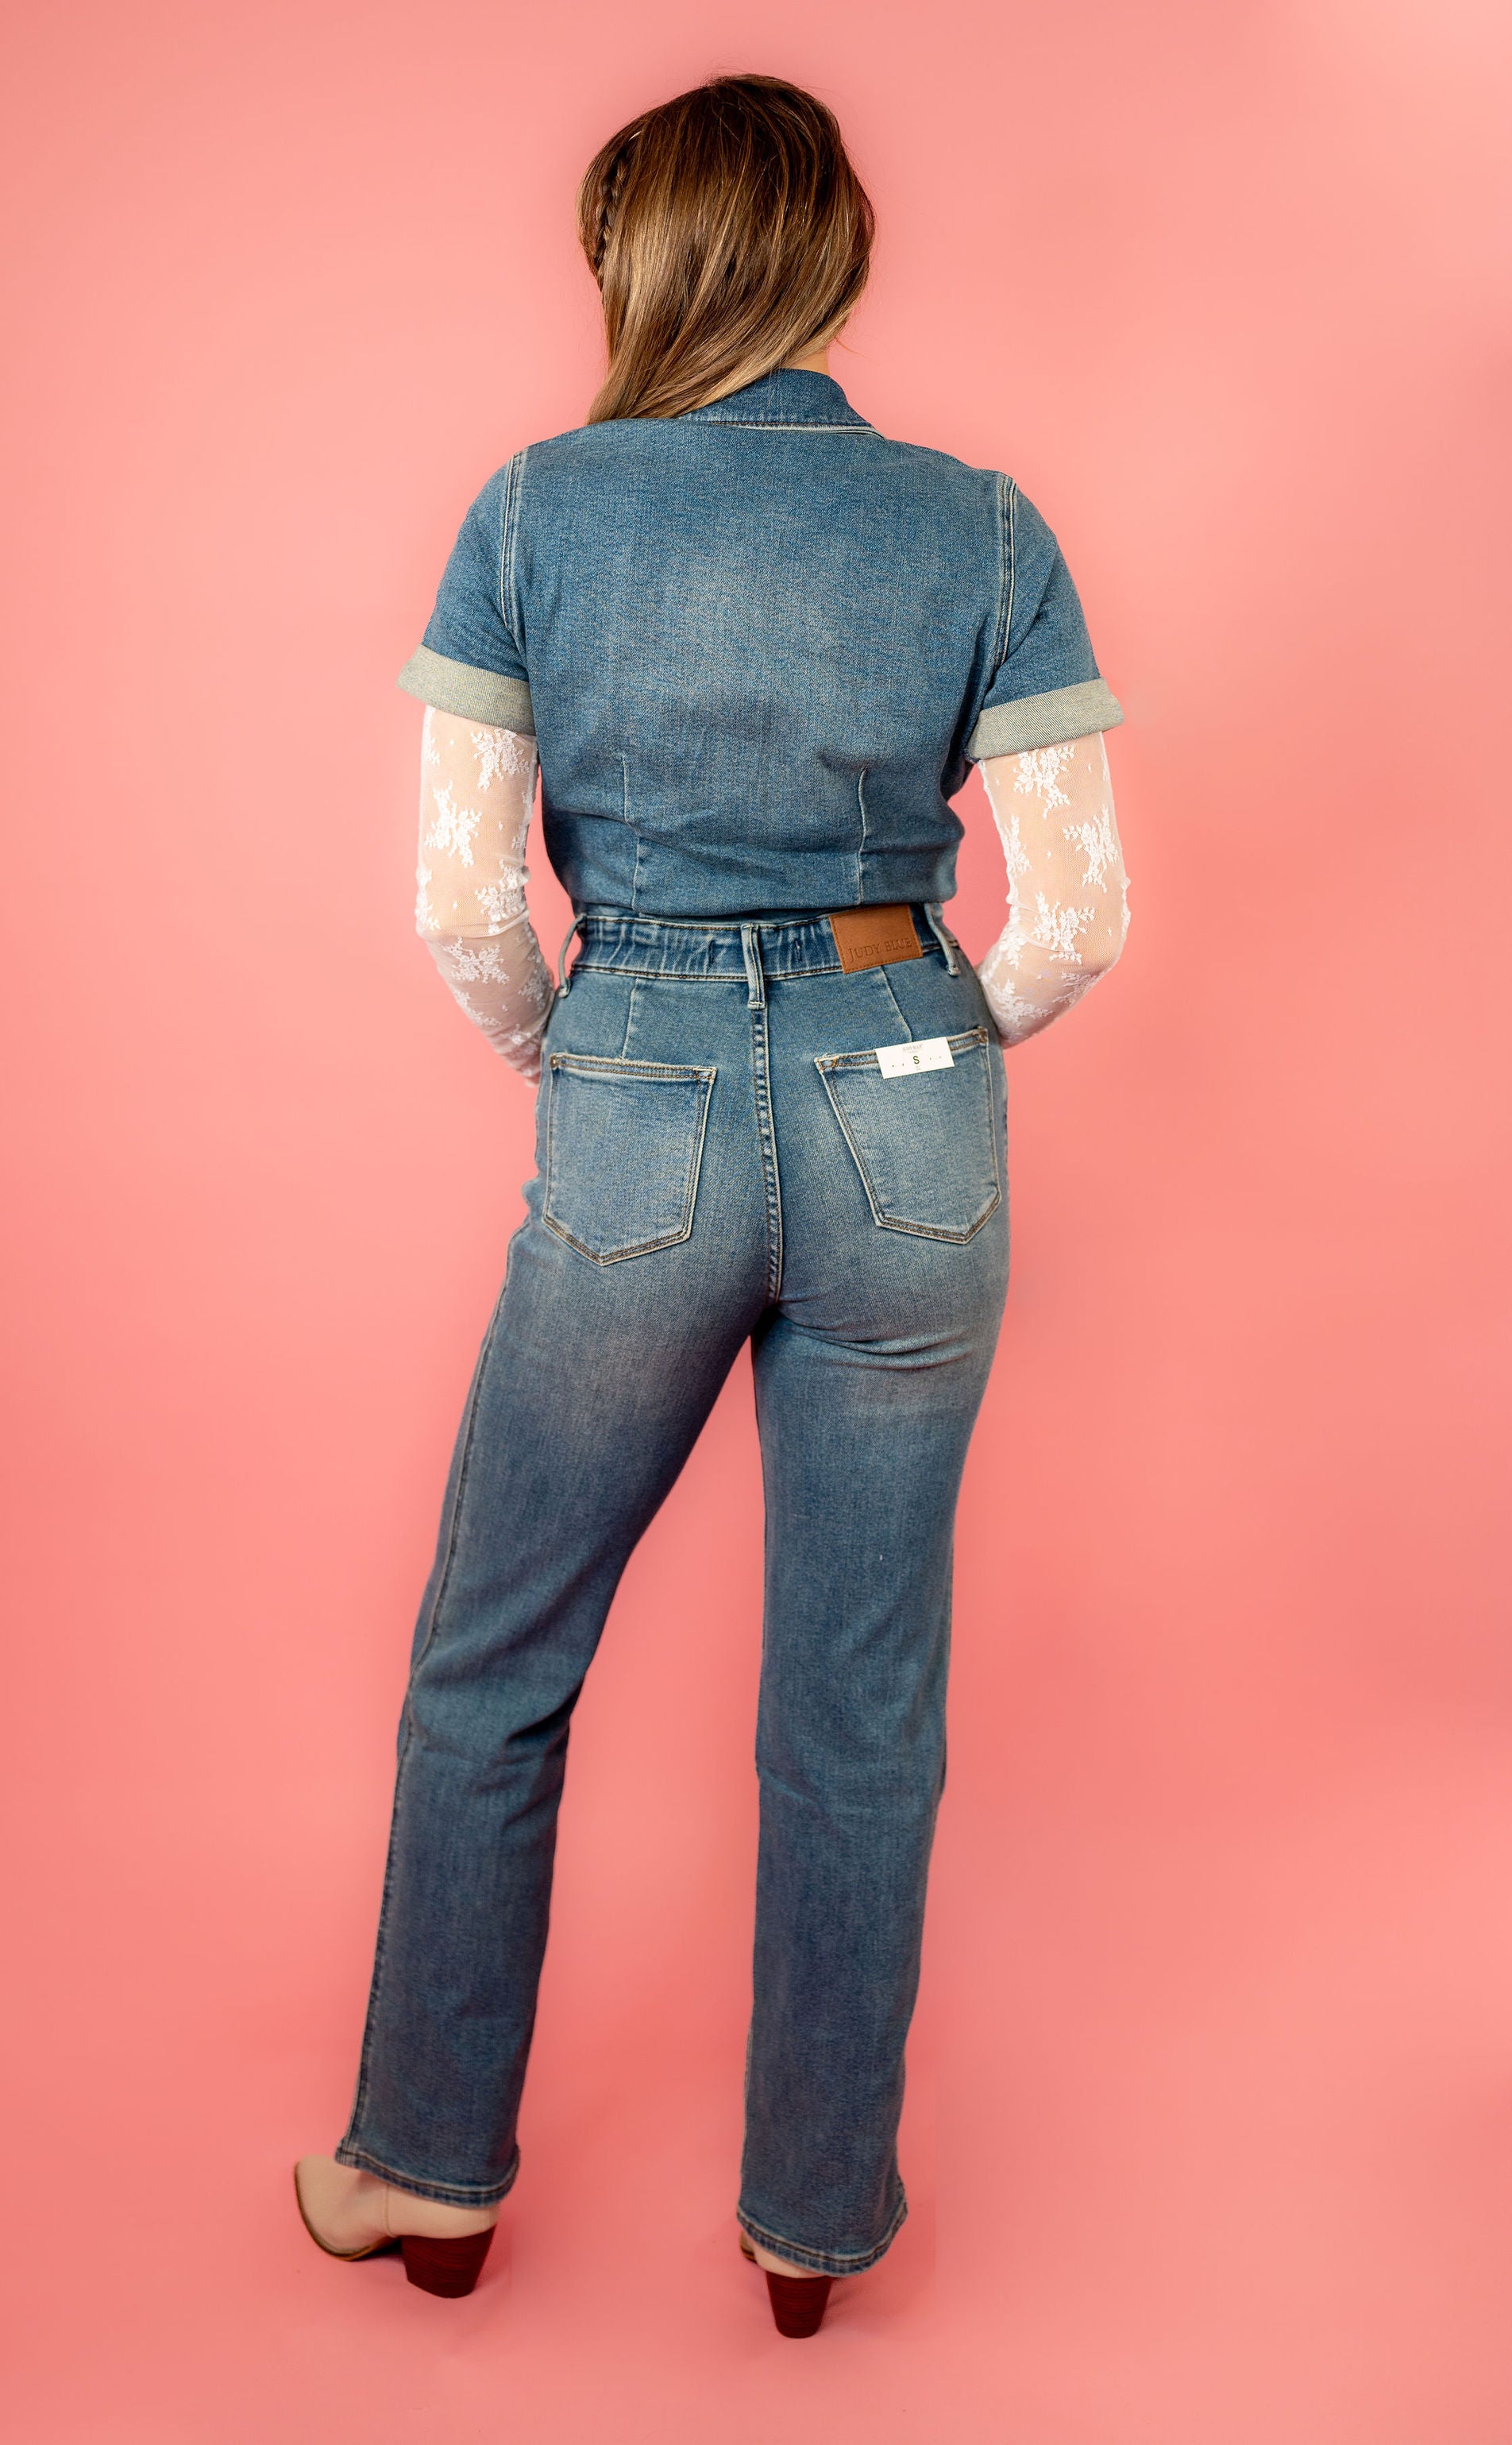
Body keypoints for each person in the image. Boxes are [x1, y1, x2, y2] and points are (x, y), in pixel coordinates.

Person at [295, 72, 1128, 2339]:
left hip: (639, 1082)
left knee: (496, 1657)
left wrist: (589, 1058)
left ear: (634, 264)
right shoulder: (980, 526)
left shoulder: (534, 509)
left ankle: (421, 2165)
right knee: (862, 1700)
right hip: (909, 1101)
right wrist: (924, 1045)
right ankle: (809, 2224)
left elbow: (463, 901)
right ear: (838, 256)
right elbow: (1079, 914)